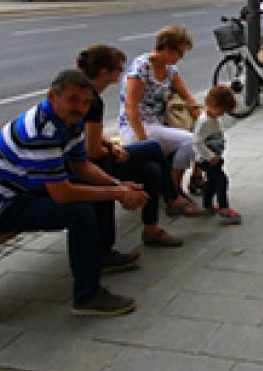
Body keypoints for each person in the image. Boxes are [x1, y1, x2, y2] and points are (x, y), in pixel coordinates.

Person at [0, 70, 149, 316]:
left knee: (98, 191)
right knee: (81, 213)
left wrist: (119, 185)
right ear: (52, 96)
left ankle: (100, 256)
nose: (81, 108)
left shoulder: (69, 121)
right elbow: (63, 195)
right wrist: (118, 193)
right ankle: (87, 296)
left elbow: (80, 166)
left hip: (22, 188)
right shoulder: (42, 131)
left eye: (86, 103)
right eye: (73, 100)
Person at [75, 44, 190, 245]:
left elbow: (91, 133)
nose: (122, 72)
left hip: (91, 156)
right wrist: (110, 152)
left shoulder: (87, 92)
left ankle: (151, 229)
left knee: (152, 169)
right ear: (105, 72)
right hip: (86, 165)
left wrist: (111, 145)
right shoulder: (91, 100)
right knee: (152, 148)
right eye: (119, 68)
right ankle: (172, 197)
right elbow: (93, 152)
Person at [117, 26, 204, 199]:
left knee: (204, 134)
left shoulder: (170, 70)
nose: (181, 57)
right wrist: (143, 142)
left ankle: (197, 177)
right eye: (180, 52)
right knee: (188, 141)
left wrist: (203, 117)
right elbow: (130, 107)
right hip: (137, 126)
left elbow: (187, 97)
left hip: (158, 124)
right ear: (167, 48)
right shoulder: (142, 68)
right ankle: (173, 190)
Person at [193, 85, 242, 224]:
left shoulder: (212, 118)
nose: (222, 114)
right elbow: (197, 142)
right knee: (221, 180)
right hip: (207, 159)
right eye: (220, 111)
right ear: (211, 104)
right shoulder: (204, 122)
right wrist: (210, 156)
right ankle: (224, 209)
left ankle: (207, 204)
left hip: (214, 157)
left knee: (213, 182)